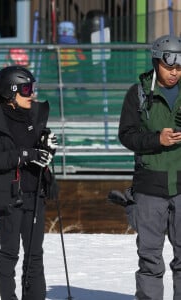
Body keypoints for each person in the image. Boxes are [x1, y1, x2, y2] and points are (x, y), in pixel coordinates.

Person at [0, 65, 58, 300]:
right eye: (25, 89)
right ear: (11, 93)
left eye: (32, 88)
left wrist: (46, 148)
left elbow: (39, 151)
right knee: (10, 252)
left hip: (35, 194)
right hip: (8, 196)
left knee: (35, 254)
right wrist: (26, 154)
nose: (31, 94)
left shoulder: (33, 117)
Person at [118, 34, 181, 300]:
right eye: (169, 67)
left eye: (179, 67)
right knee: (150, 261)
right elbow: (126, 135)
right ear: (156, 62)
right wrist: (157, 139)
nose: (174, 73)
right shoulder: (139, 93)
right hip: (149, 189)